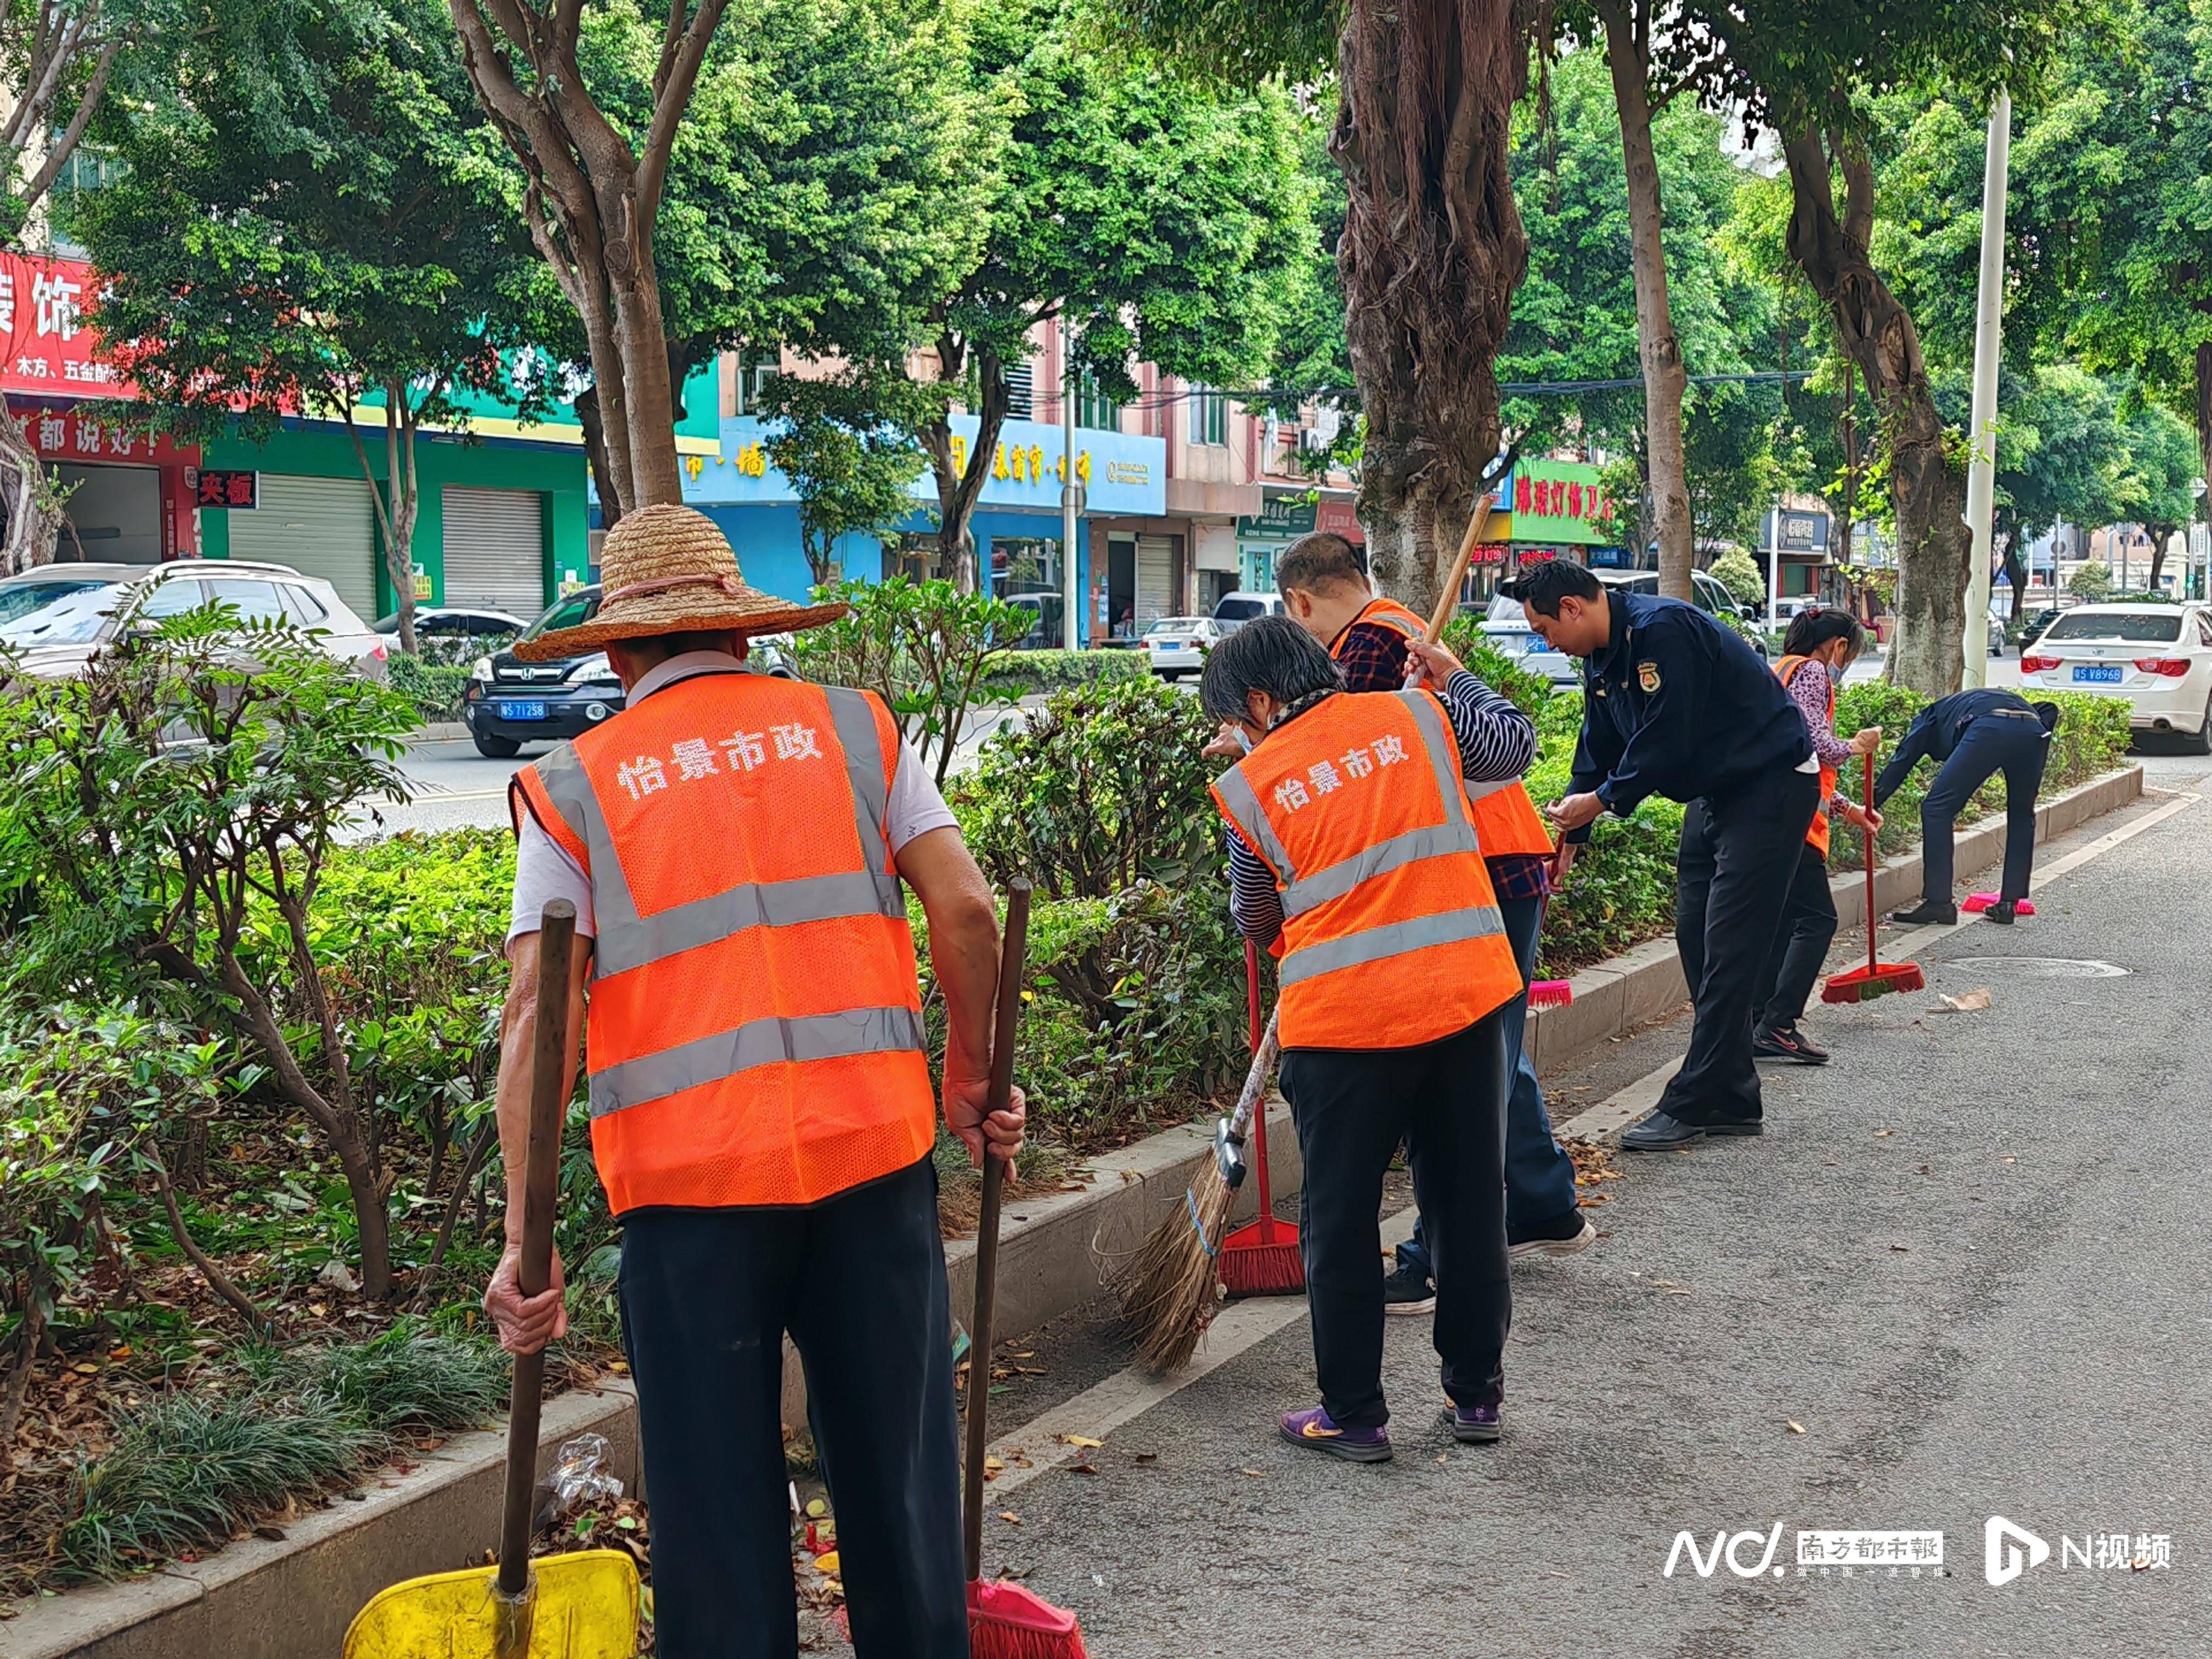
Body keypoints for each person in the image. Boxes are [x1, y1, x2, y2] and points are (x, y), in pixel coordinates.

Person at [482, 504, 1025, 1659]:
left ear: (617, 653)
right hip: (874, 1169)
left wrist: (528, 1240)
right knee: (900, 1488)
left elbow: (541, 1016)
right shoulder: (855, 731)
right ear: (740, 632)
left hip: (689, 1206)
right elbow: (971, 913)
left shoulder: (576, 786)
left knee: (714, 1518)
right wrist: (972, 1082)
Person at [1203, 616, 1535, 1462]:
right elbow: (1512, 750)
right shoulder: (1419, 716)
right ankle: (1477, 1399)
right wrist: (1455, 675)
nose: (1234, 738)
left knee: (1341, 1221)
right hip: (1464, 1000)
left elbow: (1254, 914)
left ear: (1261, 701)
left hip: (1344, 1026)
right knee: (1466, 1202)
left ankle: (1353, 1416)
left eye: (1234, 722)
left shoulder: (1251, 787)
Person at [1263, 530, 1592, 1316]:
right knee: (1489, 1052)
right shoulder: (1393, 627)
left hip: (1466, 871)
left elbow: (1345, 773)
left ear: (1301, 602)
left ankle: (1436, 1255)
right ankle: (1543, 1202)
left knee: (1453, 1067)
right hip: (1489, 861)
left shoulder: (1369, 648)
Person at [1518, 561, 1818, 1151]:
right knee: (1697, 937)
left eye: (1545, 630)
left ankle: (1695, 1099)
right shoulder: (1601, 658)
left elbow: (1666, 736)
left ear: (1574, 608)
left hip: (1772, 783)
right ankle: (1732, 1096)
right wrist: (1571, 841)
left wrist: (1603, 802)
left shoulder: (1663, 630)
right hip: (1714, 791)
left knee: (1731, 946)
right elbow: (1597, 746)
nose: (1545, 643)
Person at [1754, 609, 1885, 1064]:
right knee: (1817, 920)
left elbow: (1800, 764)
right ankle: (1779, 1023)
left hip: (1768, 813)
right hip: (1793, 824)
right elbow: (1816, 745)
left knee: (1784, 922)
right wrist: (1855, 746)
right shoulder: (1812, 671)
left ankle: (1759, 1019)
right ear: (1839, 646)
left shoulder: (1780, 668)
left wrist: (1849, 810)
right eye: (1849, 652)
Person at [1872, 688, 2062, 925]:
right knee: (2022, 814)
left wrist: (1871, 803)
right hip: (2033, 729)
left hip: (1989, 729)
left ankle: (1939, 903)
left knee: (1936, 808)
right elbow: (2048, 710)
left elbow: (1903, 758)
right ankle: (2008, 904)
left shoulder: (1927, 718)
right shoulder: (1972, 702)